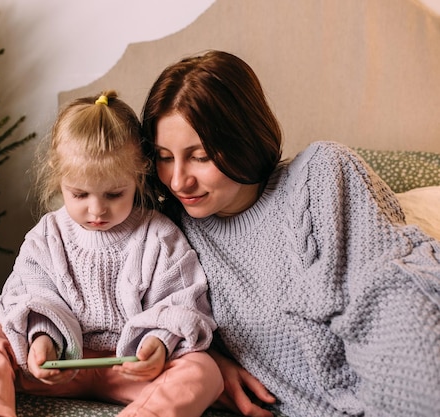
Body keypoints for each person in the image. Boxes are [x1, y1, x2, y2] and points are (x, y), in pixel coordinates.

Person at [141, 50, 440, 417]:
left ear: (243, 138)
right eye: (164, 156)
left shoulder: (321, 174)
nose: (178, 180)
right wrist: (207, 359)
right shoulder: (167, 231)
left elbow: (389, 301)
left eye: (200, 156)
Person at [0, 90, 223, 417]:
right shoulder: (48, 236)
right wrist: (41, 339)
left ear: (139, 174)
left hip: (131, 370)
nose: (97, 210)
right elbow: (28, 294)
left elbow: (184, 303)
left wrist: (159, 342)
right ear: (59, 178)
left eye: (114, 193)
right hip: (62, 367)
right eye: (79, 194)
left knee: (204, 370)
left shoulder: (159, 235)